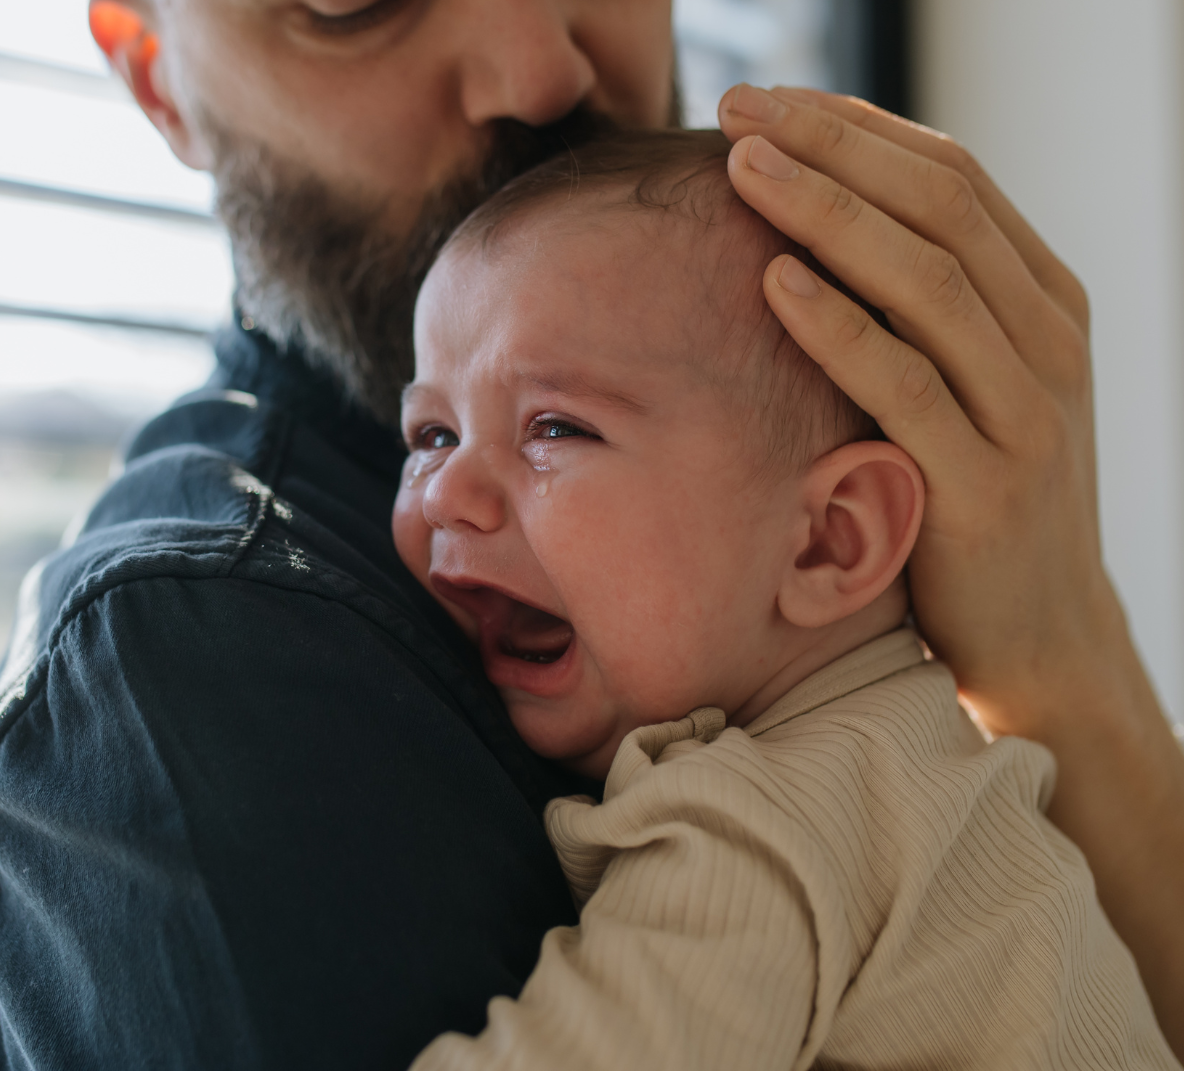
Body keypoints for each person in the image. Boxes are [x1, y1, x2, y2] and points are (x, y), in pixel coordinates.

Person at [0, 0, 1184, 1067]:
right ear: (158, 82)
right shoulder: (203, 648)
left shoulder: (798, 689)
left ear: (836, 534)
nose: (538, 69)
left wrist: (1058, 649)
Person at [393, 130, 1177, 1069]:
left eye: (555, 428)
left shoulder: (763, 822)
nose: (443, 493)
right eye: (432, 432)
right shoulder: (916, 763)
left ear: (828, 540)